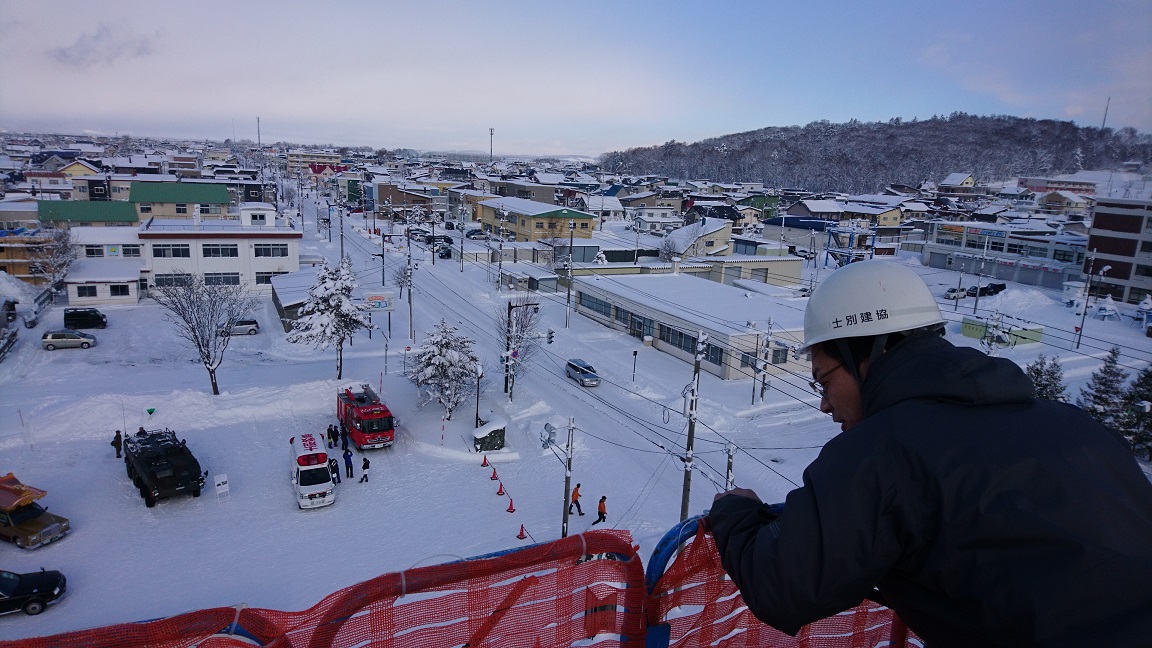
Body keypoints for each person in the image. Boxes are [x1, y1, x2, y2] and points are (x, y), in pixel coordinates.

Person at [707, 259, 1152, 646]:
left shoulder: (883, 451)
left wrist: (737, 515)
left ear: (864, 354)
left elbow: (783, 585)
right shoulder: (1078, 426)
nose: (824, 403)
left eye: (823, 380)